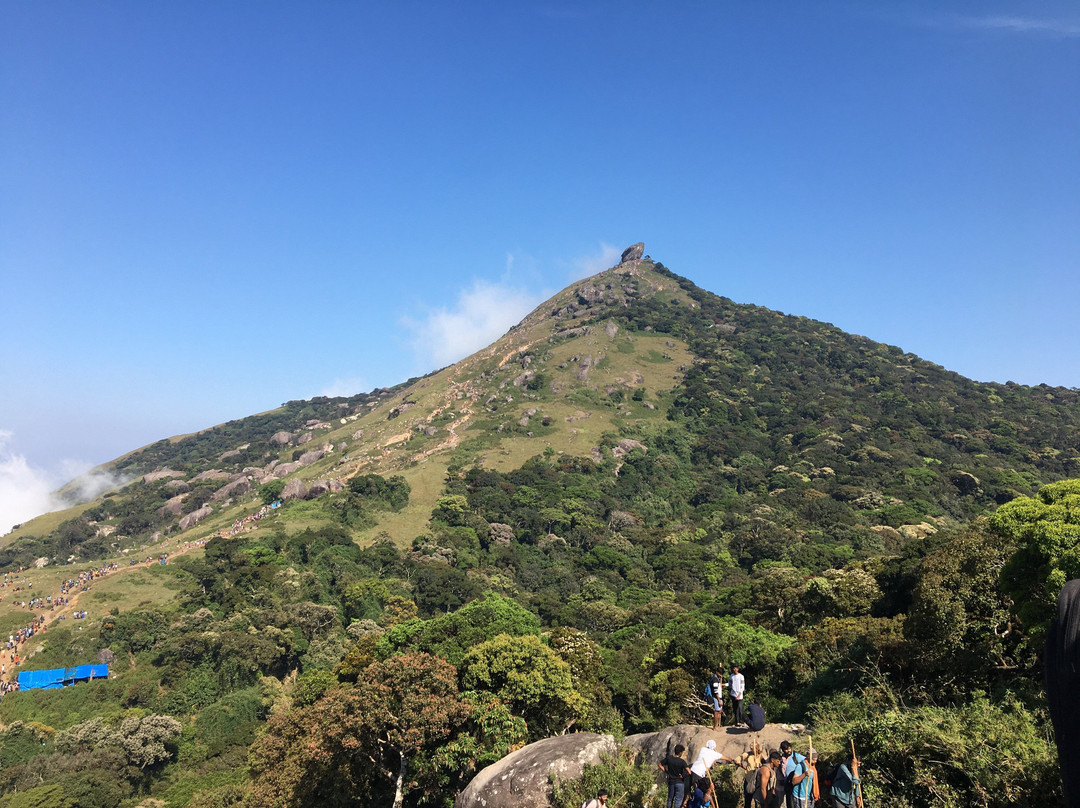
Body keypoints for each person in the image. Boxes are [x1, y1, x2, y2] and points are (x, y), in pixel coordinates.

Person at [659, 743, 691, 808]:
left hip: (671, 782)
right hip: (679, 782)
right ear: (680, 752)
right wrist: (683, 776)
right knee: (678, 800)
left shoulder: (669, 758)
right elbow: (689, 772)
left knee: (670, 799)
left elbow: (660, 764)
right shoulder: (682, 762)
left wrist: (666, 771)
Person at [783, 742, 812, 808]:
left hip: (794, 783)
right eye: (786, 749)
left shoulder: (796, 756)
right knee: (789, 803)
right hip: (787, 784)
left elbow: (806, 762)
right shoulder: (783, 758)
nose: (789, 750)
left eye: (789, 748)